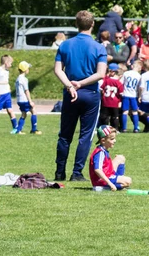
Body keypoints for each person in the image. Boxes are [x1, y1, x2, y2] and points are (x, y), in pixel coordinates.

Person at [54, 10, 107, 182]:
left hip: (70, 94)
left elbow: (57, 70)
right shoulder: (98, 47)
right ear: (93, 24)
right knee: (85, 135)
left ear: (76, 24)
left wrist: (70, 85)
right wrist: (81, 83)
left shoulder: (65, 45)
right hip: (90, 94)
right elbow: (101, 74)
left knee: (65, 135)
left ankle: (59, 172)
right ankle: (77, 173)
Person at [89, 125, 131, 191]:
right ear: (103, 140)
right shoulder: (100, 152)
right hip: (101, 180)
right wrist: (110, 183)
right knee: (128, 181)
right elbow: (97, 169)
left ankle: (118, 180)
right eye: (112, 139)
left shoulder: (103, 150)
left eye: (114, 138)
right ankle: (102, 188)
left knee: (120, 158)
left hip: (108, 173)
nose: (115, 141)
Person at [14, 61, 41, 135]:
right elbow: (26, 91)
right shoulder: (24, 79)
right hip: (24, 99)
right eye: (28, 68)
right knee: (34, 111)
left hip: (19, 100)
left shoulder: (18, 79)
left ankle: (18, 130)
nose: (28, 70)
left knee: (23, 114)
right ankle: (34, 129)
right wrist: (30, 101)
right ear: (25, 69)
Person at [120, 60, 142, 132]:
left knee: (125, 111)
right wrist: (139, 95)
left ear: (132, 66)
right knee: (134, 112)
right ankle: (136, 128)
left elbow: (120, 82)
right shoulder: (139, 76)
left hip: (125, 94)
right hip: (133, 95)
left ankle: (124, 128)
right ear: (139, 68)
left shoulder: (126, 73)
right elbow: (139, 87)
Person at [99, 63, 124, 129]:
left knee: (104, 116)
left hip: (105, 101)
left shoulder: (106, 80)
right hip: (115, 102)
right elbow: (121, 93)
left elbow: (101, 89)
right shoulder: (119, 83)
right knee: (115, 116)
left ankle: (104, 128)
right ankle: (115, 129)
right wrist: (120, 101)